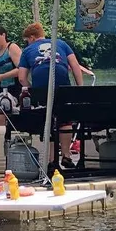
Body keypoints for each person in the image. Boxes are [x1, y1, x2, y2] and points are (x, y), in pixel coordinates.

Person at [17, 22, 83, 166]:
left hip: (41, 92)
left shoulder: (27, 51)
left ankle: (52, 159)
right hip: (64, 88)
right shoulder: (61, 43)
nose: (27, 43)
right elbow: (75, 66)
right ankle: (66, 155)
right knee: (65, 120)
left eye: (27, 40)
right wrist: (80, 89)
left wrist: (33, 90)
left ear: (32, 38)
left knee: (49, 121)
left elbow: (21, 78)